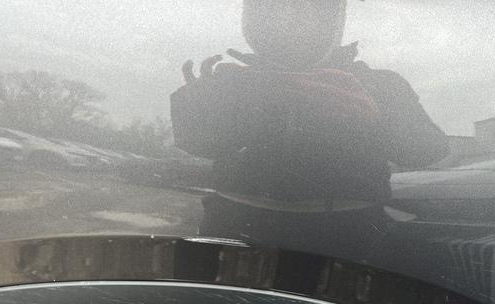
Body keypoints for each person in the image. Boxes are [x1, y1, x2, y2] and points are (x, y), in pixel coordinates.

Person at [170, 0, 448, 260]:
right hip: (233, 230)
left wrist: (377, 120)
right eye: (272, 9)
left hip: (347, 239)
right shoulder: (228, 81)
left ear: (333, 17)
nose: (288, 21)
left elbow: (430, 150)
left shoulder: (381, 85)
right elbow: (196, 143)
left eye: (308, 9)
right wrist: (195, 106)